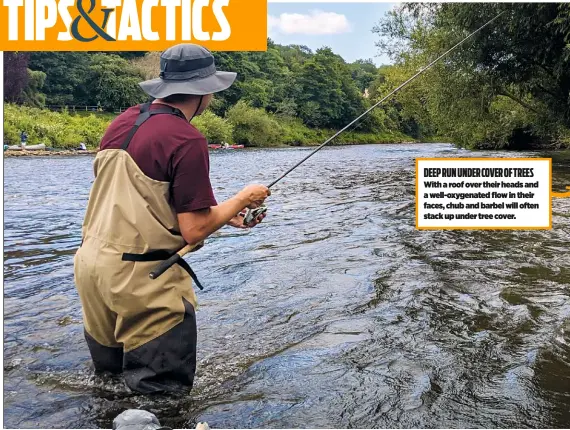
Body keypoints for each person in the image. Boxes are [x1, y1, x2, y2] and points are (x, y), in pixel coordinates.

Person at [73, 43, 271, 394]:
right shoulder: (187, 138)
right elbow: (193, 231)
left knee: (108, 389)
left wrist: (225, 216)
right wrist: (243, 198)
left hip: (91, 269)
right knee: (161, 400)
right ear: (205, 91)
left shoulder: (122, 122)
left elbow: (134, 201)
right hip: (143, 279)